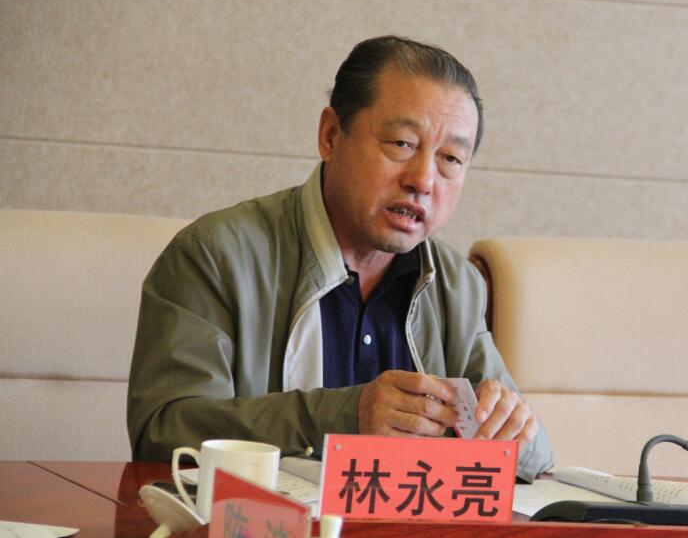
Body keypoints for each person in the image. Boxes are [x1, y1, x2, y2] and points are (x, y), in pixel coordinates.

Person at [127, 35, 553, 481]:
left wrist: (516, 434)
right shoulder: (216, 255)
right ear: (331, 135)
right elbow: (162, 435)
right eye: (402, 143)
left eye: (450, 159)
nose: (423, 180)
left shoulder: (455, 284)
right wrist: (343, 417)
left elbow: (537, 459)